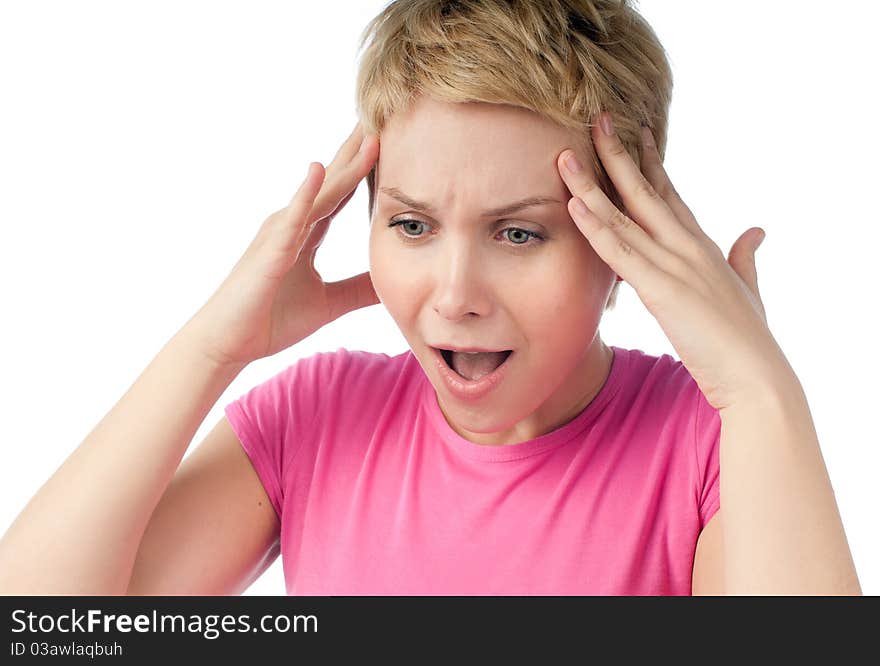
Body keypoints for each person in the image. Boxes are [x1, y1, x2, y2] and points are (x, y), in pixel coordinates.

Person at [0, 0, 860, 596]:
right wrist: (209, 348)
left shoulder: (711, 445)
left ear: (628, 235)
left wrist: (761, 394)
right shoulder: (317, 418)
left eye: (519, 234)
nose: (454, 297)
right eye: (411, 227)